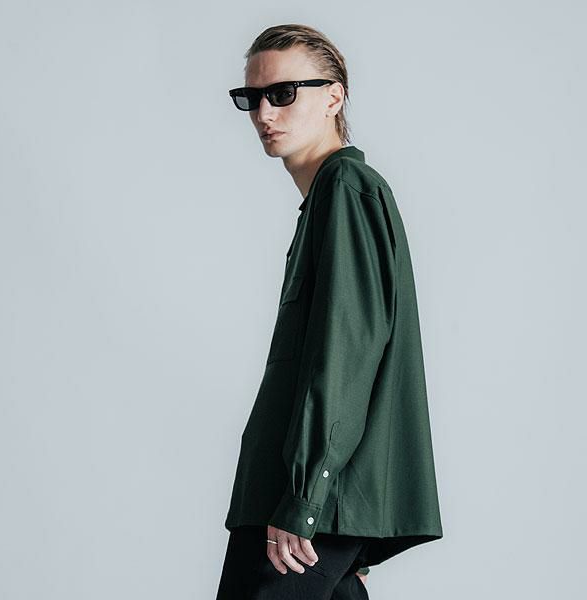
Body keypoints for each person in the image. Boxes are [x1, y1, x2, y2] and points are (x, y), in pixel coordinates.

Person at [217, 23, 443, 599]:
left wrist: (306, 498)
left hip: (308, 504)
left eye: (283, 93)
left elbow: (344, 357)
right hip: (321, 503)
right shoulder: (327, 198)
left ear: (334, 96)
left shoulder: (345, 187)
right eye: (251, 97)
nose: (264, 112)